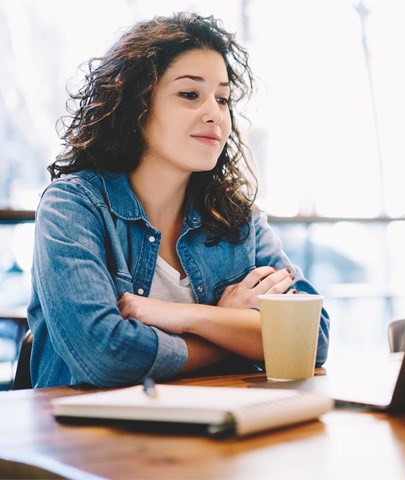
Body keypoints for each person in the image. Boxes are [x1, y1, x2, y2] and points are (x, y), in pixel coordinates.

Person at [27, 12, 329, 388]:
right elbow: (106, 357)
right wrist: (230, 327)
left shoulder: (236, 217)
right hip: (88, 437)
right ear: (135, 106)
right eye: (190, 94)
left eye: (222, 99)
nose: (215, 115)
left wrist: (188, 316)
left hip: (218, 428)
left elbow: (311, 338)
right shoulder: (73, 207)